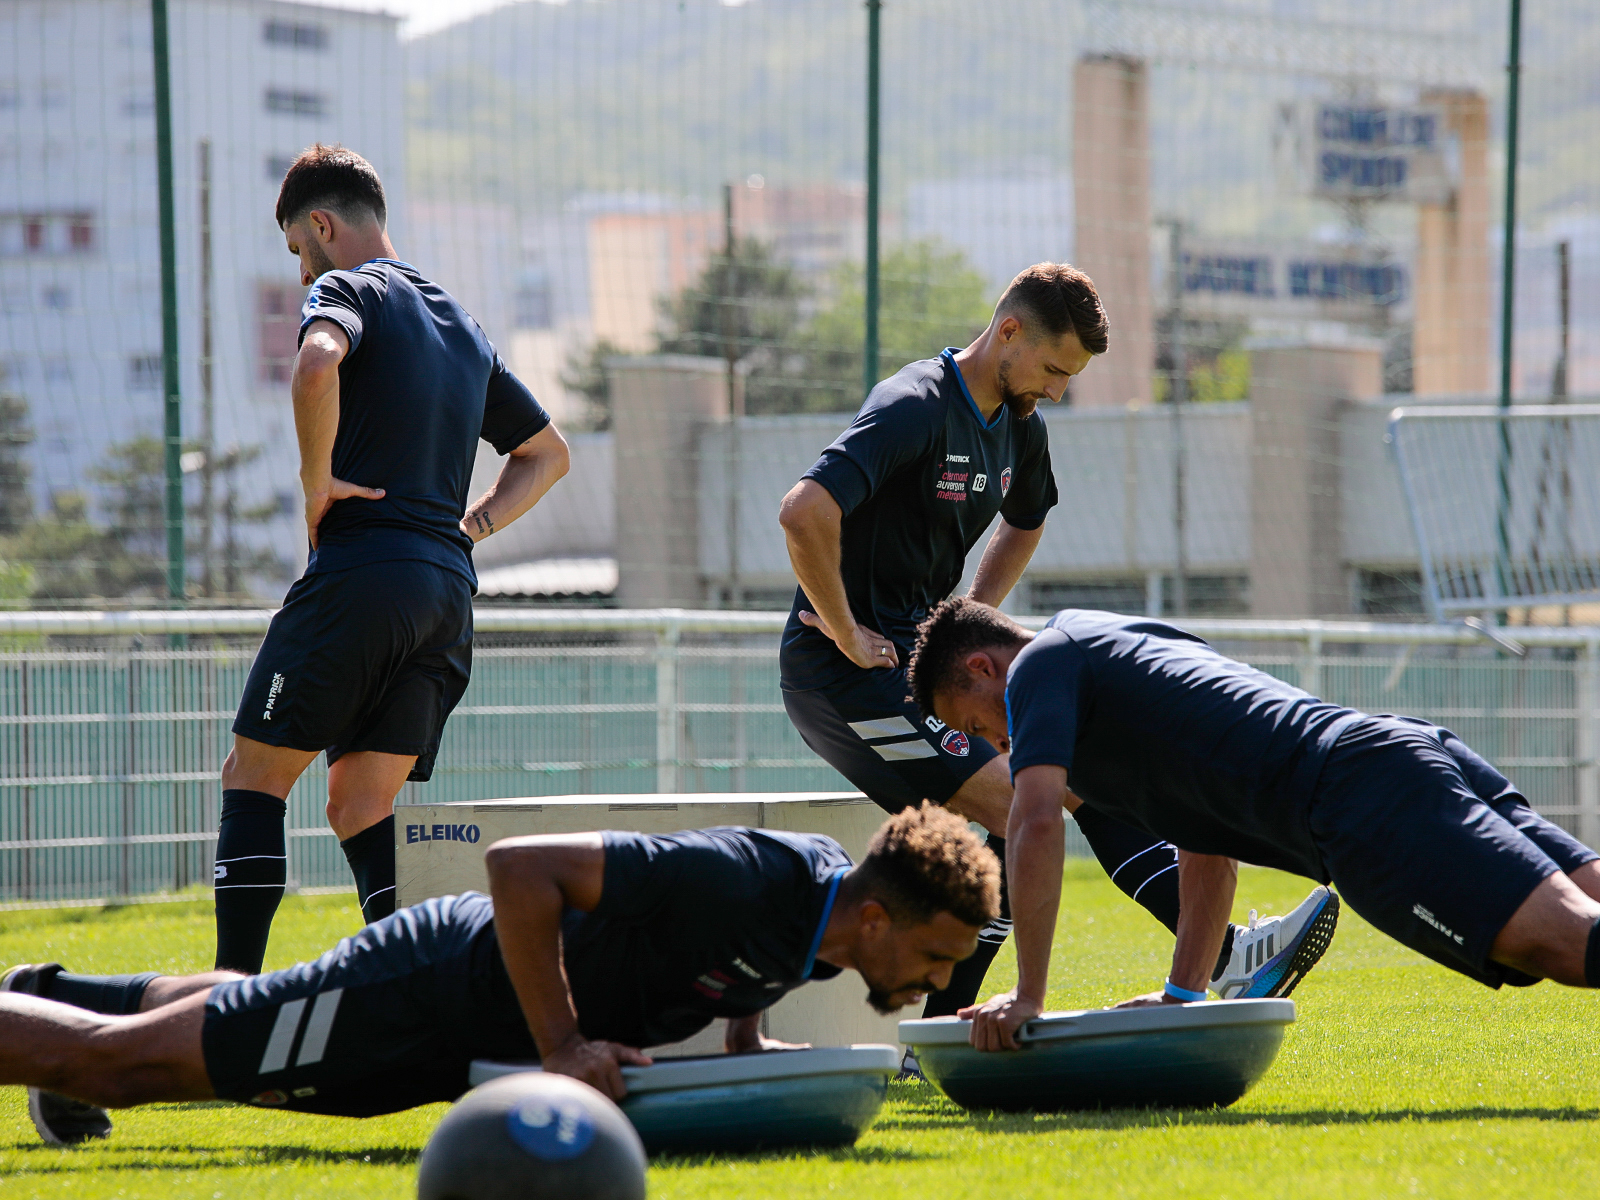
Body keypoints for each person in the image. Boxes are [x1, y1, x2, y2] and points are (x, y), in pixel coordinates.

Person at [776, 263, 1328, 1047]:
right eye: (1055, 369)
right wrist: (840, 627)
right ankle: (1228, 955)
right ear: (1008, 332)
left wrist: (970, 617)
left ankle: (939, 1038)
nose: (1059, 391)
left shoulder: (1020, 426)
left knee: (1056, 777)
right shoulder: (914, 406)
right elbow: (804, 513)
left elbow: (1026, 519)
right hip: (845, 678)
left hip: (919, 670)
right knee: (1022, 801)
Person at [0, 805, 996, 1142]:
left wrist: (747, 1043)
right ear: (876, 919)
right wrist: (562, 1043)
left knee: (247, 1009)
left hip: (451, 1035)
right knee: (122, 1071)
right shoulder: (742, 879)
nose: (934, 984)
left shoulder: (819, 913)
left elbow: (743, 966)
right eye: (936, 959)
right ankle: (52, 1045)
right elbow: (521, 868)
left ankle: (41, 988)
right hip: (427, 986)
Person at [906, 599, 1600, 1052]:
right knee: (1587, 901)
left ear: (983, 665)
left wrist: (1028, 995)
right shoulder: (1107, 640)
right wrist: (1184, 995)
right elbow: (1204, 841)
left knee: (1565, 946)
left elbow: (1034, 822)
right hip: (1392, 752)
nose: (995, 744)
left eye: (976, 724)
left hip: (1360, 799)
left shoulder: (1038, 667)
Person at [213, 144, 571, 977]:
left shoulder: (348, 288)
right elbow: (548, 453)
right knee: (359, 803)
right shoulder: (461, 322)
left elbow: (314, 365)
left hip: (363, 574)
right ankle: (415, 990)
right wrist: (473, 526)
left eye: (300, 251)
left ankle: (226, 1005)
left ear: (324, 225)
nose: (303, 273)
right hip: (447, 592)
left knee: (253, 777)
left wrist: (316, 485)